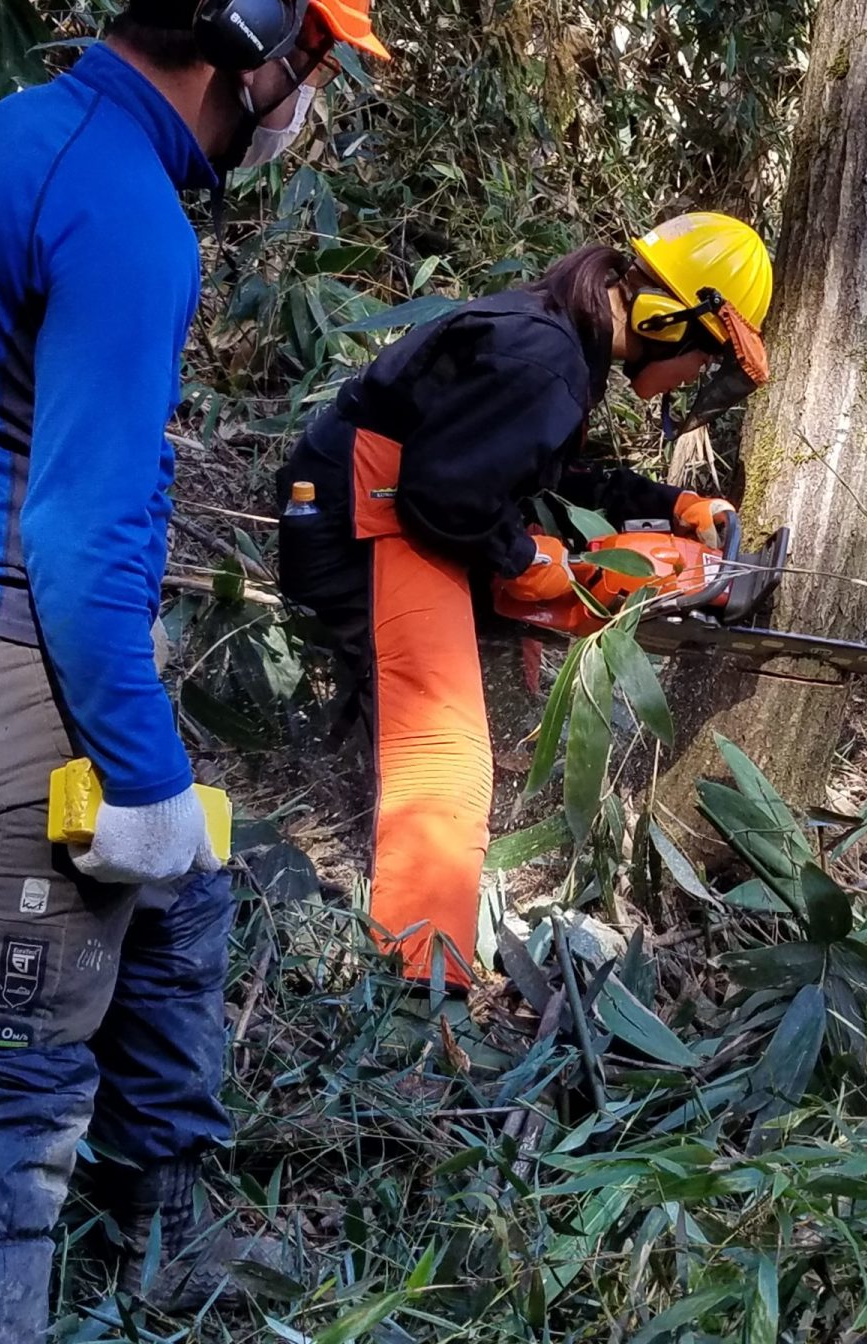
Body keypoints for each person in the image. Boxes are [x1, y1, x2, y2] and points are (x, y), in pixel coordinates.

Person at [0, 0, 387, 1336]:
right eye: (315, 58)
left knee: (186, 893)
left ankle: (159, 1222)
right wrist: (143, 779)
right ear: (257, 32)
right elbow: (83, 539)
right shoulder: (129, 213)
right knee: (16, 1056)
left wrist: (163, 810)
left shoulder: (25, 132)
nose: (306, 102)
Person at [275, 212, 773, 985]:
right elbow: (444, 492)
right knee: (447, 756)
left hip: (389, 507)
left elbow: (528, 467)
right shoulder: (545, 359)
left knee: (536, 606)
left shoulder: (552, 342)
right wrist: (524, 563)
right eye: (705, 357)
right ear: (666, 316)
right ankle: (416, 980)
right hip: (368, 522)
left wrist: (669, 504)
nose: (695, 378)